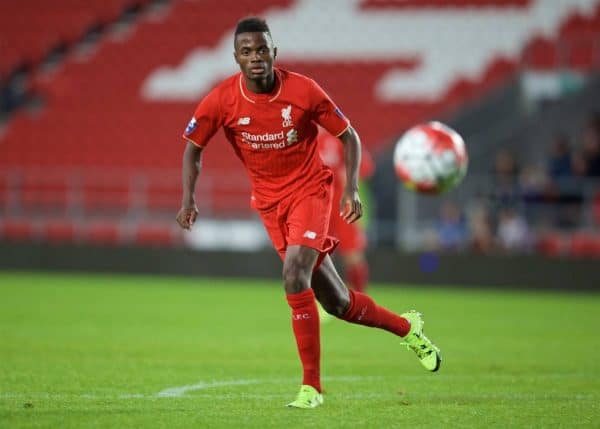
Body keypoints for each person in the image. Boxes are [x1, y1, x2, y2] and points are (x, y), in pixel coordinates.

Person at [175, 17, 441, 409]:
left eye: (262, 49)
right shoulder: (221, 100)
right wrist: (188, 198)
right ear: (236, 58)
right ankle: (408, 328)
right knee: (339, 303)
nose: (255, 58)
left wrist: (349, 189)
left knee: (293, 273)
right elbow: (193, 148)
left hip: (311, 192)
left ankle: (311, 387)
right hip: (269, 204)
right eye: (246, 51)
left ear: (274, 52)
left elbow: (348, 135)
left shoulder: (302, 90)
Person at [318, 128, 374, 293]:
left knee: (352, 253)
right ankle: (325, 297)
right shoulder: (305, 137)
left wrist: (349, 173)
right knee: (318, 255)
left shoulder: (341, 135)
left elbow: (366, 166)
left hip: (343, 204)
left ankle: (359, 295)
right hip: (318, 205)